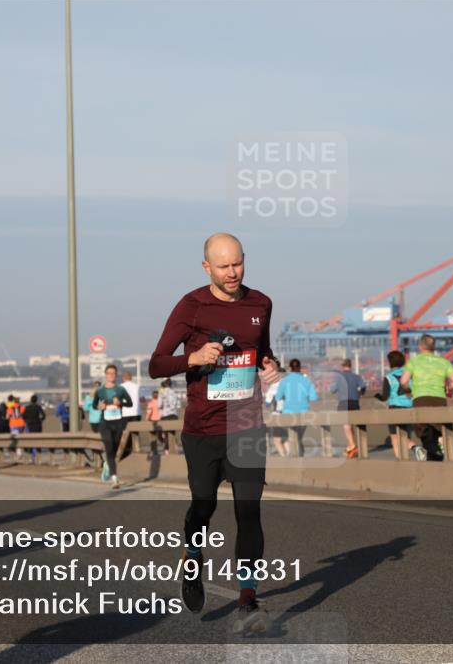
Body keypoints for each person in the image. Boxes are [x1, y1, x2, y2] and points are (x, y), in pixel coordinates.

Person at [149, 232, 281, 633]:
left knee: (249, 512)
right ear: (207, 267)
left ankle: (247, 596)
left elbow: (263, 351)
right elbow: (156, 364)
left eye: (237, 263)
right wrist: (193, 357)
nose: (232, 273)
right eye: (222, 266)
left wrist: (270, 366)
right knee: (203, 508)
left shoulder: (261, 303)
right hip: (203, 429)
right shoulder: (192, 306)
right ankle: (193, 557)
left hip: (246, 425)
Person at [400, 334, 453, 462]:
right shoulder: (443, 362)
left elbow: (403, 381)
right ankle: (439, 447)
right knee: (439, 427)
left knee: (424, 431)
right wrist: (448, 388)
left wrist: (409, 390)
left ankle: (434, 455)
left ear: (420, 346)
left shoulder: (414, 362)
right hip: (439, 399)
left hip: (420, 399)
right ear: (433, 346)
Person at [92, 365, 133, 489]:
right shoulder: (100, 391)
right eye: (109, 373)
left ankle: (107, 465)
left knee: (114, 448)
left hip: (118, 422)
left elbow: (130, 403)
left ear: (116, 375)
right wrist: (101, 406)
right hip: (105, 423)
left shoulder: (120, 390)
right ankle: (115, 478)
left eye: (113, 373)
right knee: (109, 447)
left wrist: (120, 403)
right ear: (105, 374)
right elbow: (94, 405)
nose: (111, 375)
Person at [376, 351, 418, 460]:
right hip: (410, 406)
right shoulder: (410, 374)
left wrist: (377, 396)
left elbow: (385, 397)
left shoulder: (389, 377)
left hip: (395, 407)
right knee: (405, 433)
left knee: (395, 435)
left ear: (390, 362)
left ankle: (407, 453)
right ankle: (414, 448)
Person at [273, 359, 318, 457]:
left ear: (290, 368)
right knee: (299, 438)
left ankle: (292, 462)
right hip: (304, 414)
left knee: (290, 438)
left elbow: (277, 397)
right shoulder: (307, 381)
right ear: (300, 368)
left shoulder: (284, 381)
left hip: (288, 414)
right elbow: (314, 398)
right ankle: (300, 460)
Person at [331, 359, 367, 458]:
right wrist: (359, 394)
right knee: (354, 424)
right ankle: (351, 447)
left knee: (346, 425)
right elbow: (363, 387)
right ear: (350, 366)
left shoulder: (339, 378)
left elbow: (332, 390)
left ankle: (352, 445)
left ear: (342, 366)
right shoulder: (356, 377)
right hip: (354, 402)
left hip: (343, 402)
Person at [157, 378, 180, 454]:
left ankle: (167, 450)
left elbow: (159, 405)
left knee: (165, 433)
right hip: (174, 415)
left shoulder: (162, 392)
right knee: (172, 433)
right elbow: (177, 405)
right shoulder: (174, 392)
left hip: (165, 414)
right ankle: (174, 448)